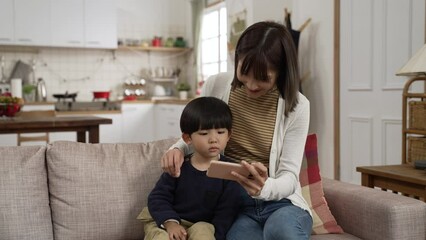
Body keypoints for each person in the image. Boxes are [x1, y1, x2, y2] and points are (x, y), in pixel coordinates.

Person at [161, 21, 313, 240]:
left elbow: (289, 176)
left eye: (263, 78)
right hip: (235, 205)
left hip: (280, 203)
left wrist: (264, 188)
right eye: (244, 72)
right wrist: (177, 148)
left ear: (280, 72)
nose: (251, 85)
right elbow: (200, 131)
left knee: (280, 231)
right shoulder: (216, 85)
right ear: (237, 59)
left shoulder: (298, 106)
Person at [138, 97, 242, 240]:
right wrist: (170, 223)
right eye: (204, 133)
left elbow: (226, 213)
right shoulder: (178, 166)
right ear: (187, 138)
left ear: (229, 135)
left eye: (220, 132)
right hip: (169, 221)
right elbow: (158, 197)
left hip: (202, 225)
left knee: (204, 232)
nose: (213, 139)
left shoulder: (230, 172)